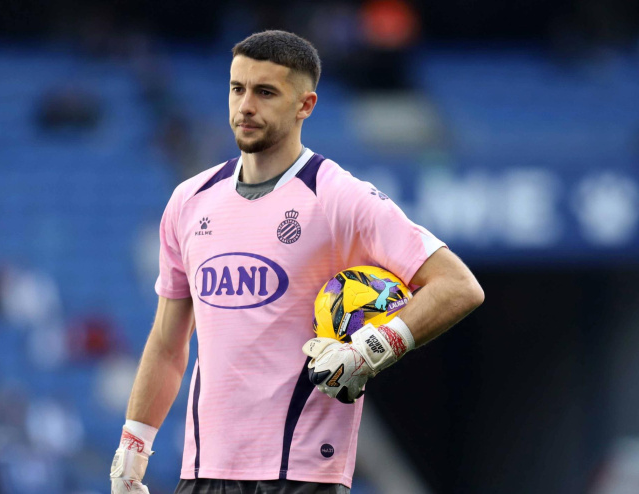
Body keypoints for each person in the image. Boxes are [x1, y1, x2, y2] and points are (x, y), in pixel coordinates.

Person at [110, 30, 484, 494]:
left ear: (305, 105)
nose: (245, 105)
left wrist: (370, 349)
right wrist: (134, 443)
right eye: (237, 88)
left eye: (265, 92)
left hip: (301, 474)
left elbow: (458, 286)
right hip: (205, 473)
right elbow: (168, 344)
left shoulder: (339, 197)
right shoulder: (190, 201)